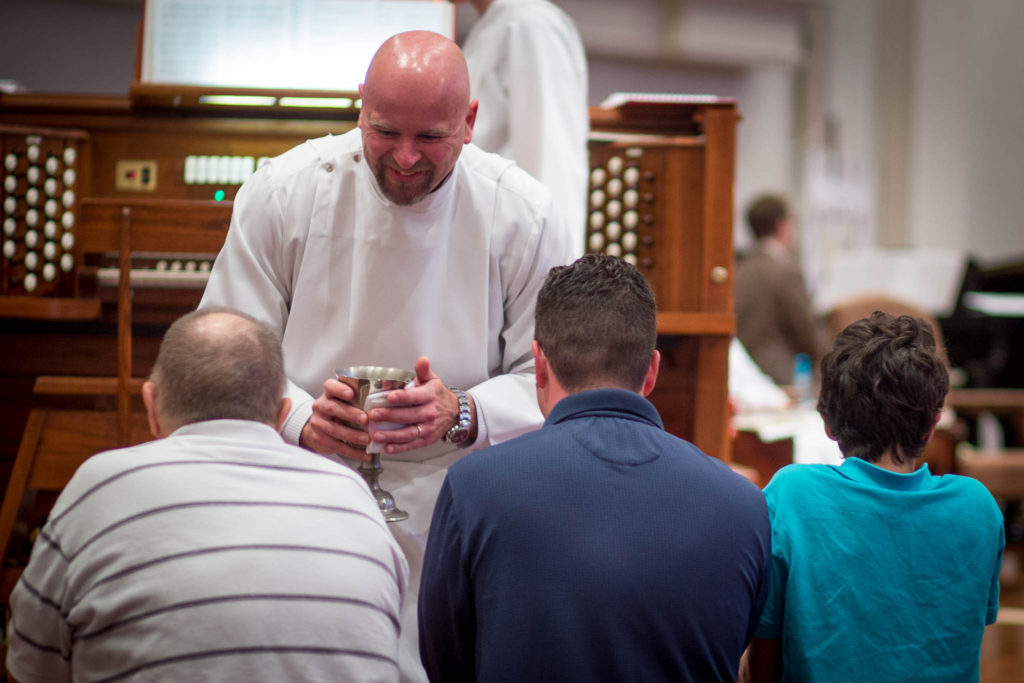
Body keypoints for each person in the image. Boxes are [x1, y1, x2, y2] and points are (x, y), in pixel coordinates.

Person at [198, 30, 574, 681]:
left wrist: (463, 411)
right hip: (302, 480)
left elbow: (551, 376)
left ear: (470, 123)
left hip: (458, 491)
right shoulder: (283, 192)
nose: (404, 158)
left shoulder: (524, 215)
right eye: (384, 131)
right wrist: (299, 418)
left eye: (430, 136)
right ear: (359, 110)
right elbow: (224, 347)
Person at [5, 309, 409, 683]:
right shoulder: (352, 495)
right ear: (284, 413)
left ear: (151, 406)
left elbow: (30, 664)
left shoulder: (100, 483)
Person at [418, 254, 771, 682]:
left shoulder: (473, 488)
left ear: (540, 366)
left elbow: (443, 662)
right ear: (652, 370)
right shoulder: (744, 504)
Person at [740, 312, 1005, 682]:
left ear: (828, 422)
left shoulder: (793, 496)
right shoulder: (977, 508)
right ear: (932, 426)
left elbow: (761, 666)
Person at [455, 0, 589, 255]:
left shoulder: (532, 23)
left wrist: (560, 284)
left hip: (516, 259)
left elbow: (553, 164)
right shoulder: (492, 23)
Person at [734, 194, 831, 386]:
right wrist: (830, 357)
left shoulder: (739, 267)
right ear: (781, 225)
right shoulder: (785, 270)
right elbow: (805, 327)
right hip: (778, 375)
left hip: (741, 373)